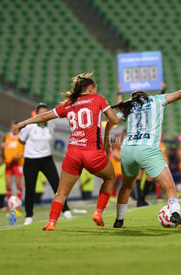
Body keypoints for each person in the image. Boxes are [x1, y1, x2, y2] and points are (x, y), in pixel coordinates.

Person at [14, 72, 121, 231]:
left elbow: (44, 116)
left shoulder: (69, 104)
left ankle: (51, 222)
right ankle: (98, 212)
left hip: (73, 154)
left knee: (61, 192)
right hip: (93, 153)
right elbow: (115, 121)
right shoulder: (98, 99)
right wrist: (121, 113)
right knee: (110, 177)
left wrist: (23, 123)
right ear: (91, 88)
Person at [107, 80, 181, 228]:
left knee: (126, 187)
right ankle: (175, 213)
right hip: (147, 149)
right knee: (169, 186)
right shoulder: (156, 100)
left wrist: (106, 139)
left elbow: (112, 120)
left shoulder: (130, 107)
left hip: (128, 149)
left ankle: (119, 221)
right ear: (146, 95)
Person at [17, 102, 71, 226]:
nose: (43, 116)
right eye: (41, 113)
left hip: (46, 159)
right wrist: (33, 150)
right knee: (30, 188)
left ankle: (66, 209)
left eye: (45, 113)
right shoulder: (29, 126)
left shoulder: (51, 125)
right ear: (36, 114)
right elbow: (21, 140)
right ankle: (29, 215)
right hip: (31, 160)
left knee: (57, 185)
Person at [3, 121, 24, 204]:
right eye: (12, 127)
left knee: (18, 183)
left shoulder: (21, 137)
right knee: (8, 184)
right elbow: (4, 147)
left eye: (15, 127)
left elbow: (24, 150)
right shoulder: (7, 136)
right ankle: (9, 204)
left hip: (18, 162)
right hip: (9, 163)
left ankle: (18, 203)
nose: (14, 129)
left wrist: (19, 156)